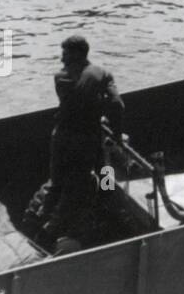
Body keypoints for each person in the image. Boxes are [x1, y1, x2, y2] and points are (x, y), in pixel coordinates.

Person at [42, 35, 124, 241]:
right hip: (87, 138)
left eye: (65, 55)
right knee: (104, 170)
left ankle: (40, 218)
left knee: (57, 183)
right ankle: (107, 207)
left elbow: (75, 102)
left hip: (60, 137)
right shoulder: (103, 73)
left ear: (77, 54)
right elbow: (117, 105)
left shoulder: (59, 77)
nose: (62, 60)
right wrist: (116, 133)